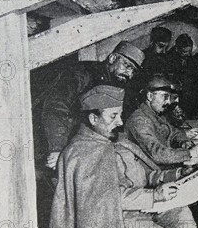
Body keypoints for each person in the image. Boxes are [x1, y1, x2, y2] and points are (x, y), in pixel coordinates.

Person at [42, 85, 139, 228]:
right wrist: (157, 196)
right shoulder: (90, 153)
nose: (121, 122)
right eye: (113, 116)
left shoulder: (85, 146)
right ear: (94, 119)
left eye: (120, 115)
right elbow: (113, 201)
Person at [41, 41, 144, 169]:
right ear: (112, 58)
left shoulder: (118, 83)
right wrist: (57, 148)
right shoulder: (82, 73)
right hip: (53, 139)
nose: (129, 74)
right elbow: (56, 106)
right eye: (126, 66)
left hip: (84, 144)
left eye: (133, 71)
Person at [126, 74, 198, 167]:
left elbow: (171, 134)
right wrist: (189, 153)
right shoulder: (139, 120)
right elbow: (157, 153)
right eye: (165, 96)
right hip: (152, 172)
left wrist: (183, 143)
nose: (168, 102)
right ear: (150, 96)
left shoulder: (155, 114)